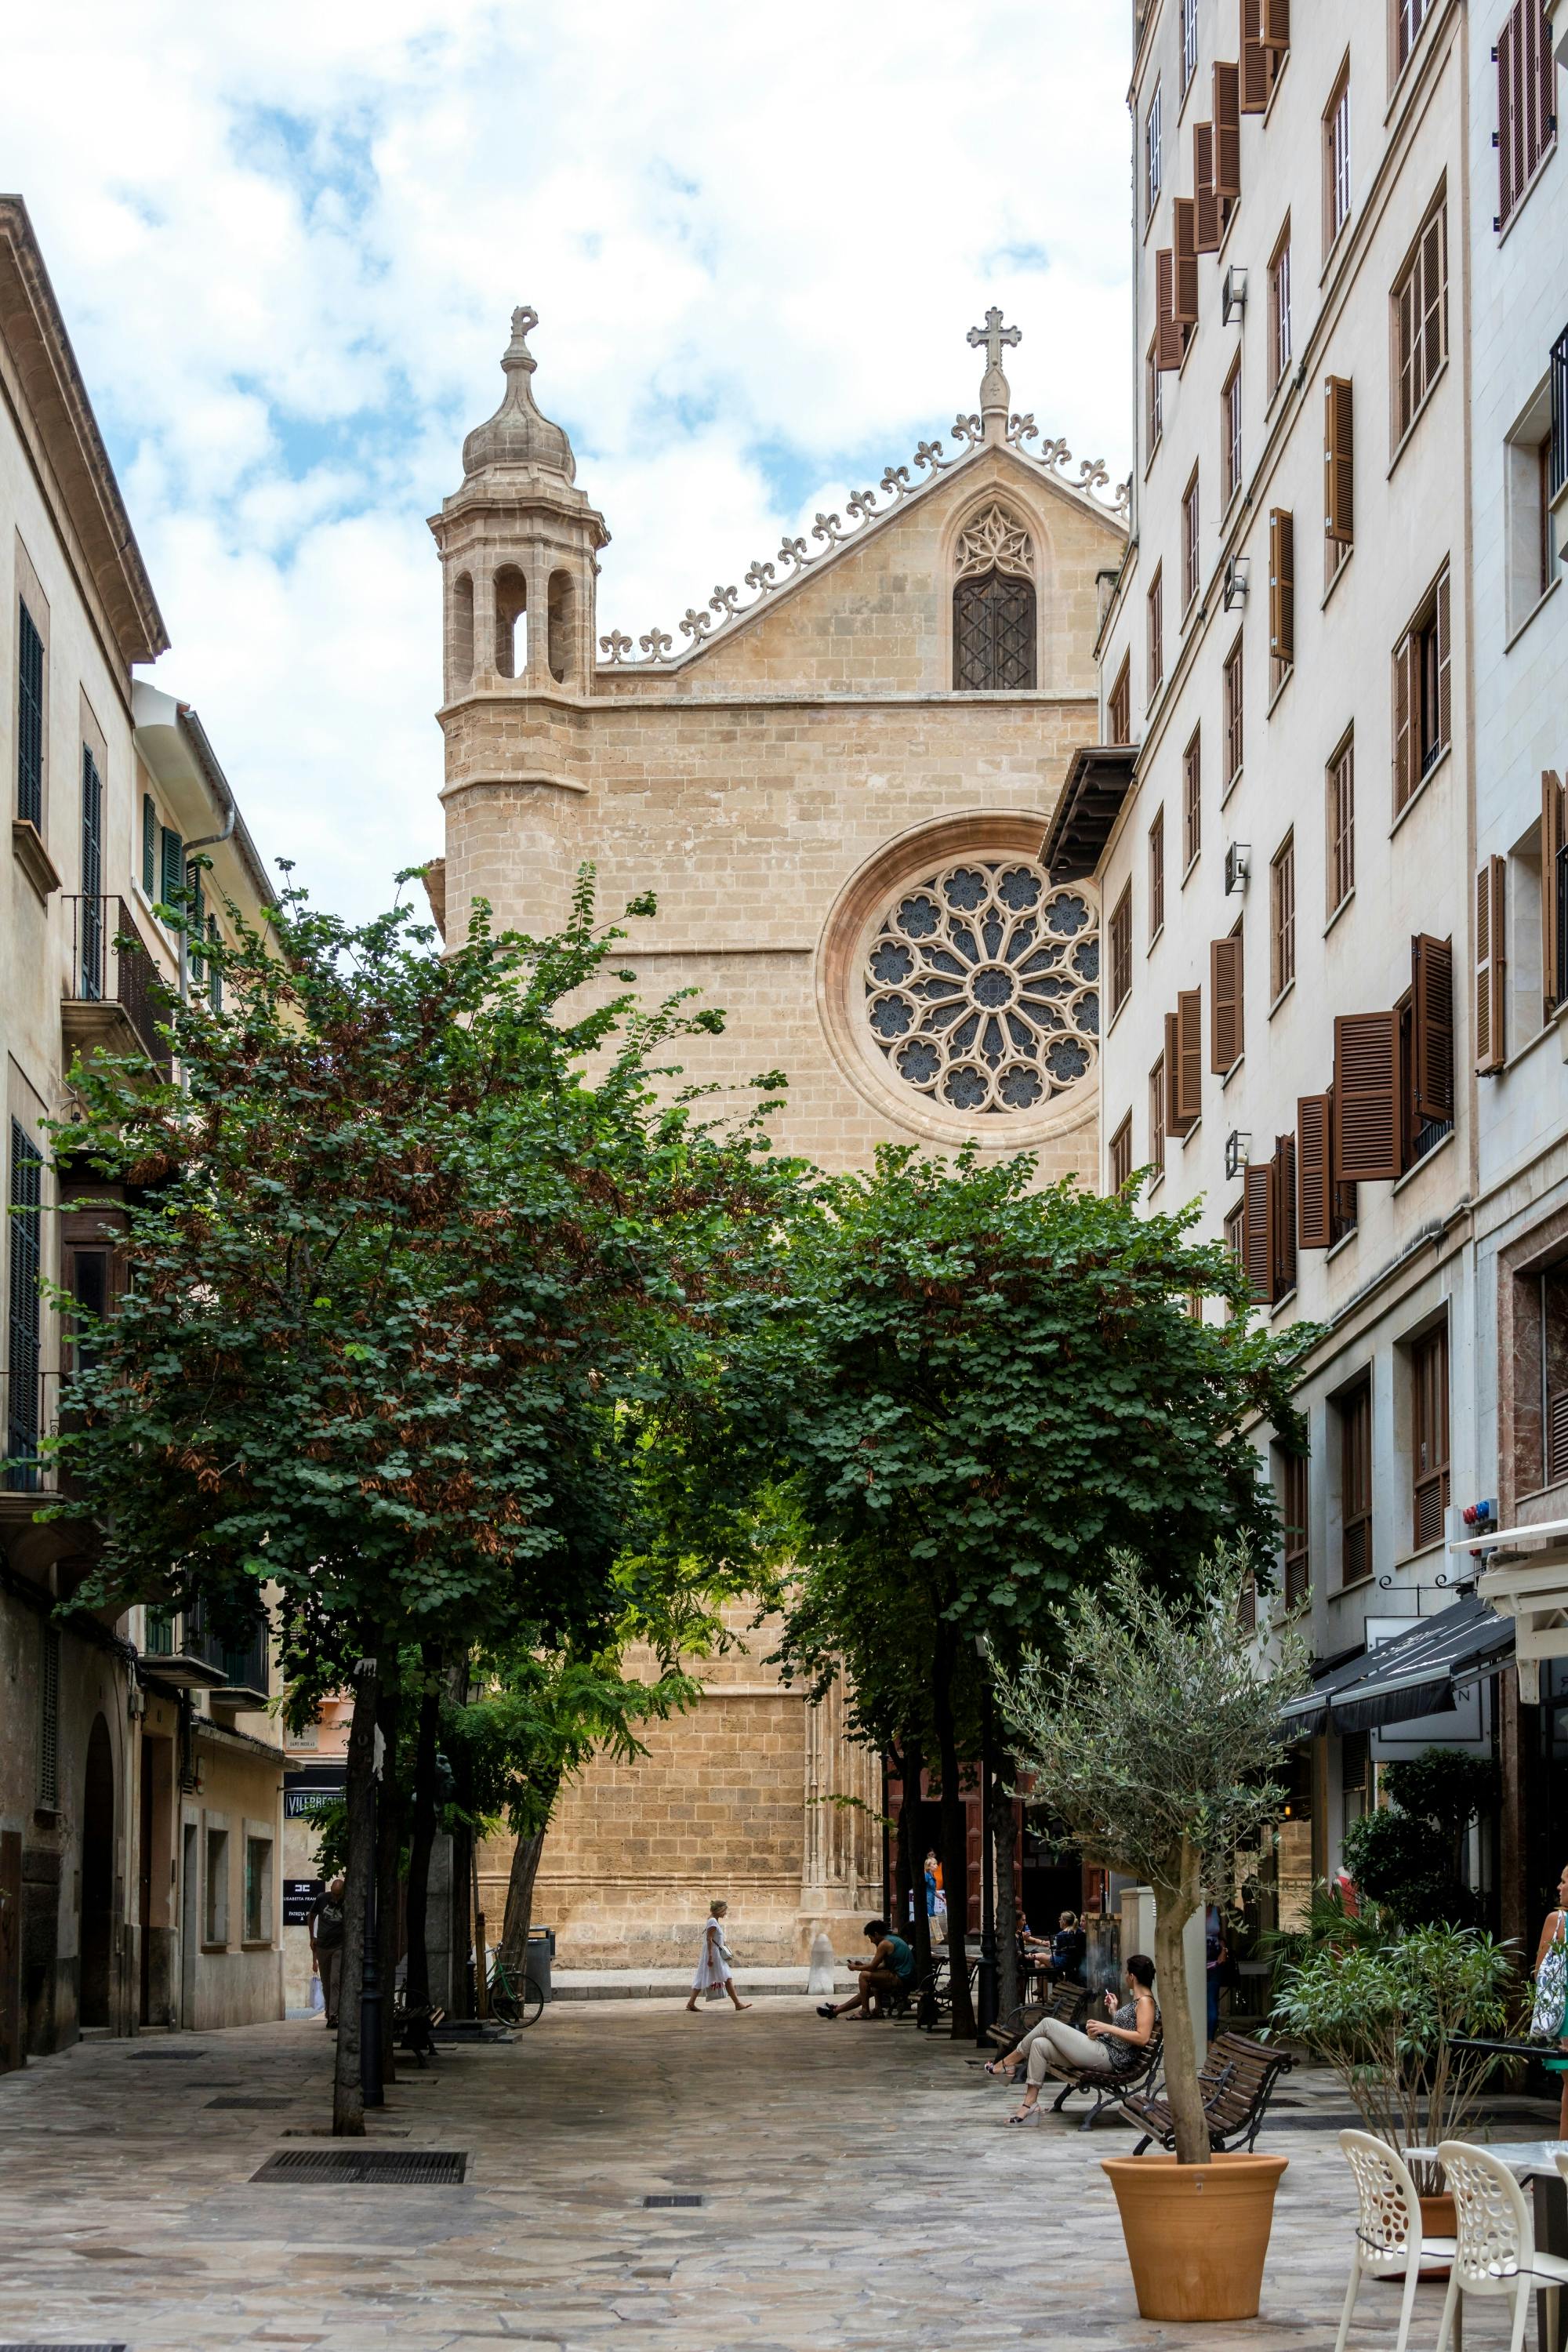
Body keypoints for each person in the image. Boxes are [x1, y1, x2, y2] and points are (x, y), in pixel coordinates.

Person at [996, 1953, 1159, 2122]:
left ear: (1132, 1977)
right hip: (1103, 2050)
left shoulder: (1146, 2002)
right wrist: (1114, 2012)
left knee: (1047, 2024)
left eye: (1126, 1973)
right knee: (1039, 2044)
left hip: (1109, 2057)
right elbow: (1128, 2030)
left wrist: (1107, 2027)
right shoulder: (1140, 2001)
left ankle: (1007, 2063)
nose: (1125, 1976)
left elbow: (1142, 2038)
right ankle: (1030, 2105)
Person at [818, 1918, 916, 2020]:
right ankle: (837, 2010)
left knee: (863, 1976)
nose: (871, 1941)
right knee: (869, 1986)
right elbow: (882, 1965)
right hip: (902, 1977)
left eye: (871, 1938)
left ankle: (865, 2011)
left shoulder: (884, 1944)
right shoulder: (892, 1940)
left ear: (876, 1934)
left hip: (903, 1978)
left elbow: (872, 1967)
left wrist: (856, 1968)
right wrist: (863, 1965)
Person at [1533, 1863, 1568, 2134]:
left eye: (1564, 1881)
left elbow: (1540, 1972)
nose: (1559, 1887)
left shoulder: (1557, 1921)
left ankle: (1563, 2163)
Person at [685, 1899, 751, 2014]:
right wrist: (710, 1957)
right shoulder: (712, 1921)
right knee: (727, 1978)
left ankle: (691, 2003)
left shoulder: (714, 1921)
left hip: (716, 1954)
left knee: (704, 1977)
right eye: (724, 1910)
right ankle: (738, 2004)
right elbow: (709, 1939)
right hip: (714, 1955)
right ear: (719, 1910)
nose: (725, 1913)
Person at [307, 1874, 346, 2028]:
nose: (336, 1898)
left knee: (335, 1980)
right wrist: (312, 1937)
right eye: (334, 1894)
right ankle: (330, 2013)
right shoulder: (322, 1898)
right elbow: (311, 1916)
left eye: (339, 1895)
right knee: (326, 1982)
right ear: (331, 1890)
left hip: (339, 1946)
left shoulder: (348, 1900)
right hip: (323, 1945)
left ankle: (334, 2015)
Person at [1025, 1910, 1087, 1986]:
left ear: (1064, 1921)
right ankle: (1043, 1994)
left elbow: (1058, 1954)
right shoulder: (1079, 1932)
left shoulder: (1061, 1935)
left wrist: (1053, 1948)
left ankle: (1026, 1957)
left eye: (1060, 1919)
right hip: (1074, 1962)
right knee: (1042, 1966)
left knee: (1040, 1956)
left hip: (1064, 1963)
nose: (1059, 1921)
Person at [1205, 1904, 1229, 2042]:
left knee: (1212, 2000)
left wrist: (1223, 1951)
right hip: (1195, 1963)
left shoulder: (1216, 1909)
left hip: (1215, 1963)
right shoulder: (1189, 1909)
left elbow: (1222, 1936)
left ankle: (1210, 2039)